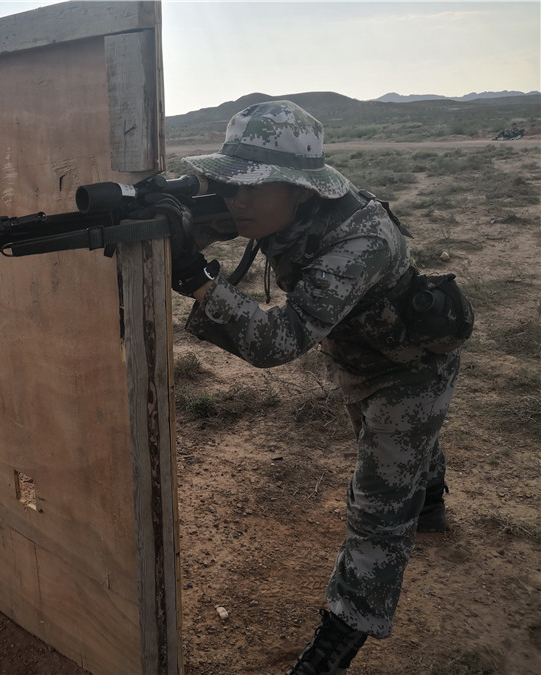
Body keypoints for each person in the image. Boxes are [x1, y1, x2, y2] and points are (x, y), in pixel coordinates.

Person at [158, 101, 470, 674]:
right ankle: (430, 500)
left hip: (411, 367)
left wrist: (198, 282)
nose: (237, 200)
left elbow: (280, 341)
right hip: (356, 356)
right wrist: (162, 205)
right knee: (399, 449)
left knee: (378, 504)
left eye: (253, 187)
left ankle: (335, 644)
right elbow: (209, 215)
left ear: (302, 189)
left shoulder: (362, 239)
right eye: (229, 183)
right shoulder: (264, 205)